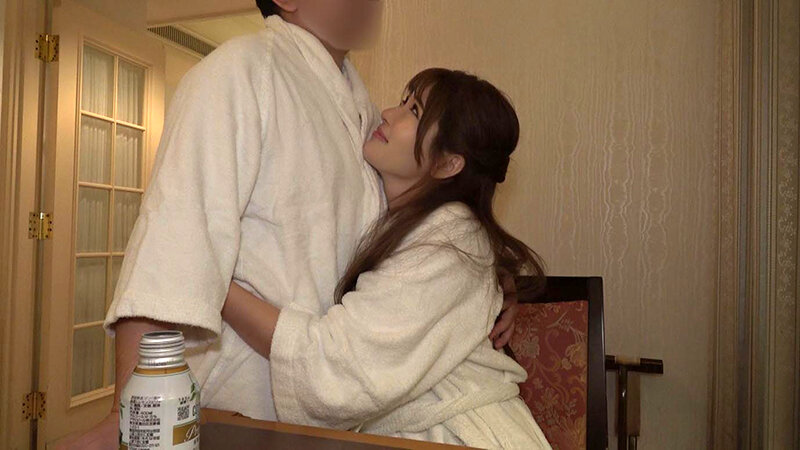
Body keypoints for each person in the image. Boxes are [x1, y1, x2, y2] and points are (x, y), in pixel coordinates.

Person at [55, 1, 519, 448]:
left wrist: (489, 285)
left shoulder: (357, 109)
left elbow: (417, 233)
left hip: (329, 415)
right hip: (237, 409)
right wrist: (126, 416)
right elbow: (169, 248)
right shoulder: (237, 73)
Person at [221, 68, 552, 449]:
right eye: (402, 101)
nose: (388, 113)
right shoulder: (401, 215)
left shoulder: (452, 242)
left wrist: (215, 286)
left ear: (448, 163)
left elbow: (339, 365)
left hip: (457, 434)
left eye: (414, 112)